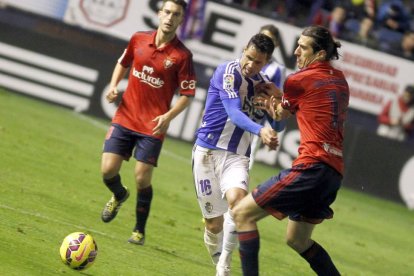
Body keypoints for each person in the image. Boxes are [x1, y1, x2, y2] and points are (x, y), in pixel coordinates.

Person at [233, 25, 349, 275]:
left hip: (312, 167)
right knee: (298, 240)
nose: (295, 51)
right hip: (333, 173)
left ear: (318, 54)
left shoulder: (299, 79)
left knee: (242, 214)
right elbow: (310, 105)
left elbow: (280, 114)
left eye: (302, 47)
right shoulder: (340, 81)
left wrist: (273, 102)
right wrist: (281, 97)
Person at [100, 0, 196, 245]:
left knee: (142, 177)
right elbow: (123, 63)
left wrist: (168, 117)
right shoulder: (138, 39)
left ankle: (139, 231)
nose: (170, 18)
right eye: (167, 12)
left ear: (181, 20)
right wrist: (113, 87)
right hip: (126, 115)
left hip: (152, 126)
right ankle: (119, 195)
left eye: (176, 14)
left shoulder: (182, 56)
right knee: (108, 170)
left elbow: (188, 95)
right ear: (159, 14)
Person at [192, 33, 283, 275]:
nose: (251, 65)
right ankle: (217, 256)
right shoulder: (228, 72)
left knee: (238, 202)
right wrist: (260, 130)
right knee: (213, 224)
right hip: (207, 152)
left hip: (237, 156)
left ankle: (224, 266)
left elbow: (279, 124)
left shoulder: (264, 86)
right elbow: (233, 113)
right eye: (249, 58)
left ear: (266, 63)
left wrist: (278, 102)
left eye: (258, 62)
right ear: (244, 49)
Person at [249, 24, 286, 170]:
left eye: (270, 39)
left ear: (276, 44)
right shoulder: (246, 57)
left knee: (248, 157)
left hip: (259, 119)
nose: (265, 41)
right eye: (262, 36)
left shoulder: (278, 69)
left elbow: (278, 98)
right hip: (238, 113)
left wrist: (274, 130)